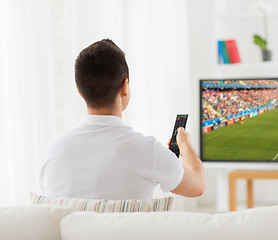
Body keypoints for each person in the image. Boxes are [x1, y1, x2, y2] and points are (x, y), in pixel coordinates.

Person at [39, 39, 205, 200]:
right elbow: (197, 186)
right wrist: (185, 145)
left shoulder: (52, 153)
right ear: (124, 87)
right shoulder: (149, 151)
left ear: (80, 91)